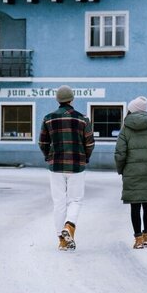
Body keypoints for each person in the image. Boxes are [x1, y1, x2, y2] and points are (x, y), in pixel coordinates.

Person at [39, 85, 95, 251]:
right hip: (77, 164)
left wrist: (48, 156)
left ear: (58, 100)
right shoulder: (82, 119)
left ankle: (61, 240)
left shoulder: (48, 118)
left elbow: (42, 142)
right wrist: (86, 157)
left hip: (55, 165)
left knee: (58, 202)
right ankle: (69, 227)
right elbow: (90, 143)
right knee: (75, 200)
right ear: (72, 99)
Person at [114, 96, 147, 249]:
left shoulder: (125, 131)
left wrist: (121, 169)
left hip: (131, 172)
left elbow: (120, 154)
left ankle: (138, 240)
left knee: (135, 206)